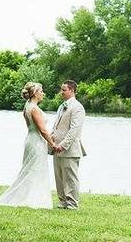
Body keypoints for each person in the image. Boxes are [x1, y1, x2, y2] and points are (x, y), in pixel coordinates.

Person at [0, 82, 56, 209]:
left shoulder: (27, 106)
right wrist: (52, 143)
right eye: (41, 91)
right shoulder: (35, 109)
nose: (43, 93)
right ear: (35, 93)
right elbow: (42, 130)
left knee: (30, 169)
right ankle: (33, 198)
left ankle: (31, 195)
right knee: (35, 169)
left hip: (31, 139)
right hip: (36, 141)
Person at [49, 79, 86, 209]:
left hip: (69, 150)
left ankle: (72, 203)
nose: (61, 92)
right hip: (56, 148)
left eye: (64, 90)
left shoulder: (77, 107)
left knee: (70, 178)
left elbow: (74, 130)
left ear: (71, 90)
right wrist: (51, 141)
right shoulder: (62, 106)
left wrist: (63, 145)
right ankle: (62, 201)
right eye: (61, 89)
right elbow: (56, 127)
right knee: (59, 177)